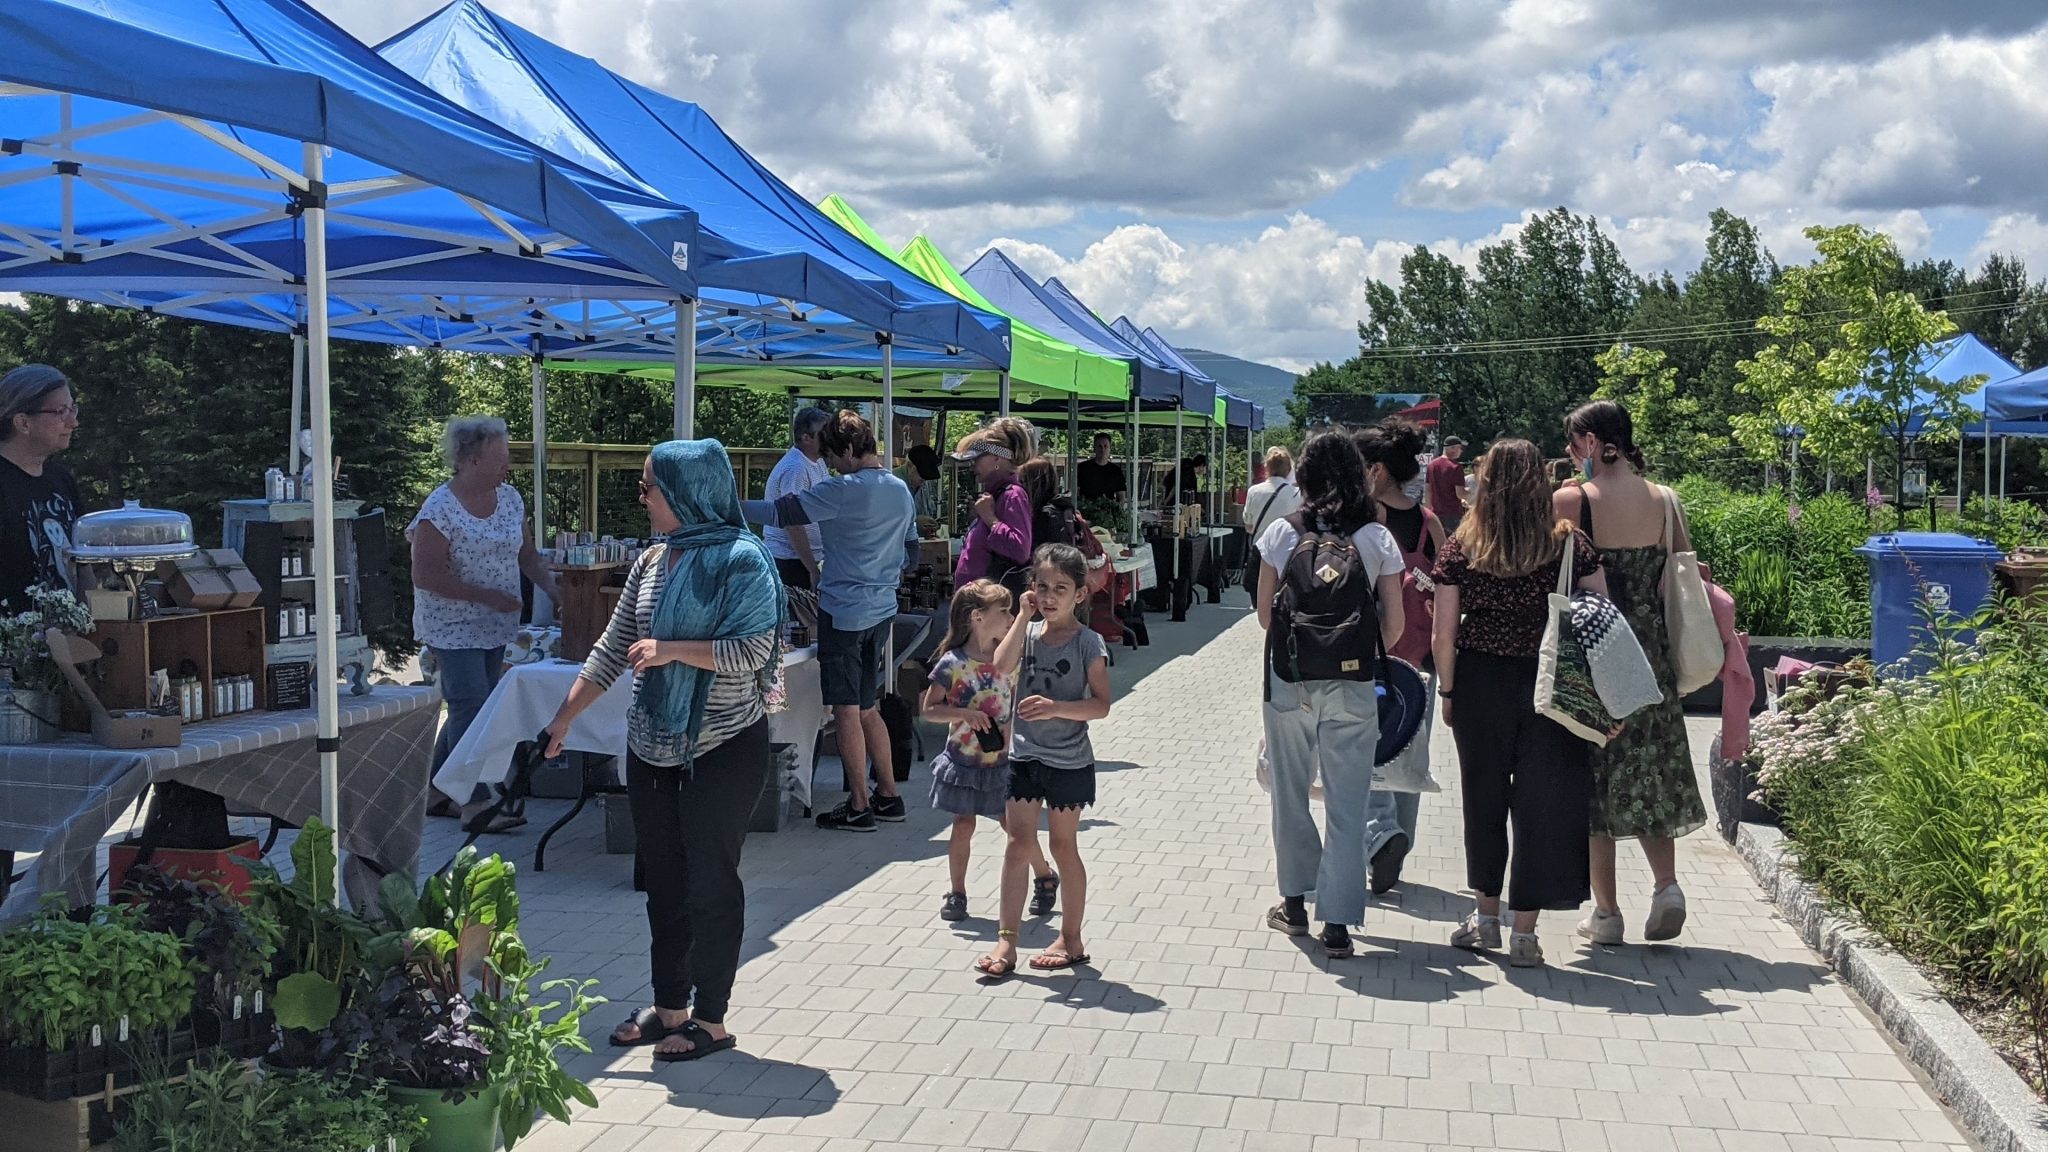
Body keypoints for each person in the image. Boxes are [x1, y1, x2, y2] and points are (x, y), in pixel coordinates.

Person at [543, 439, 783, 1063]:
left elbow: (753, 652)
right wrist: (564, 717)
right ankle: (670, 1007)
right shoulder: (655, 559)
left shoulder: (744, 560)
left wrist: (674, 648)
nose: (642, 496)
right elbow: (611, 646)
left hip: (723, 746)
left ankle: (712, 1019)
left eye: (650, 486)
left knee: (710, 881)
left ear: (687, 491)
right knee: (664, 882)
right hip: (651, 743)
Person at [1433, 438, 1607, 968]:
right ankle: (1525, 932)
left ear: (1487, 480)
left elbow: (1444, 633)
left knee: (1482, 796)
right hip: (1549, 685)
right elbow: (1600, 613)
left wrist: (1447, 688)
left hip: (1480, 680)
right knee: (1542, 802)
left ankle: (1487, 916)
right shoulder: (1567, 543)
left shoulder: (1464, 544)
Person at [1556, 400, 1706, 946]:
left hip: (1595, 653)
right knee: (1653, 766)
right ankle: (1667, 887)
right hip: (1653, 653)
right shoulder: (1666, 501)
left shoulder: (1572, 501)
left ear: (1593, 443)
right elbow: (1687, 574)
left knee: (1596, 777)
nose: (1573, 455)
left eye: (1575, 444)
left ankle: (1607, 913)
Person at [1254, 432, 1404, 960]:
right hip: (1353, 683)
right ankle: (1337, 923)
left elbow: (1265, 615)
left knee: (1290, 793)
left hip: (1289, 680)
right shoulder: (1375, 537)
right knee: (1347, 802)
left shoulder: (1281, 532)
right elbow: (1395, 625)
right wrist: (1353, 655)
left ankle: (1294, 905)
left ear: (1307, 475)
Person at [744, 410, 917, 832]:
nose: (830, 465)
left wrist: (719, 506)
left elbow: (780, 514)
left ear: (846, 450)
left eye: (833, 457)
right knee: (868, 706)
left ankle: (858, 805)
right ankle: (889, 795)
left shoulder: (843, 490)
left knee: (844, 711)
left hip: (843, 612)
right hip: (881, 609)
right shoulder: (901, 490)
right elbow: (911, 553)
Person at [411, 416, 561, 832]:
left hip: (496, 624)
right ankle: (474, 802)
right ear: (471, 460)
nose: (507, 465)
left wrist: (554, 590)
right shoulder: (439, 509)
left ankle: (434, 790)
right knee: (469, 706)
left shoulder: (510, 499)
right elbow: (426, 576)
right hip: (451, 625)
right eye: (500, 457)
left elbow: (527, 556)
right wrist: (486, 595)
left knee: (476, 707)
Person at [973, 544, 1112, 978]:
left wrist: (1055, 708)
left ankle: (1071, 937)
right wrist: (1021, 617)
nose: (1049, 597)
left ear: (1080, 596)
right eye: (1042, 587)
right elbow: (998, 666)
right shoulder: (1028, 634)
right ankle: (1007, 940)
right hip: (1025, 756)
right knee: (1017, 843)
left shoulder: (1090, 643)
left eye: (1061, 589)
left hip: (1069, 761)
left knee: (1062, 846)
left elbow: (1101, 705)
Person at [923, 579, 1056, 922]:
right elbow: (928, 709)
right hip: (964, 758)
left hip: (1004, 759)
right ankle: (957, 892)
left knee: (1014, 828)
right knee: (963, 824)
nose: (1009, 617)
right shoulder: (952, 663)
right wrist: (964, 714)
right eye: (1003, 611)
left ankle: (1044, 875)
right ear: (977, 617)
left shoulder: (1009, 655)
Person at [1353, 420, 1447, 893]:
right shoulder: (1430, 522)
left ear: (1375, 471)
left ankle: (1379, 835)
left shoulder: (1366, 520)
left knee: (1367, 753)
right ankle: (1397, 845)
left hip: (1370, 656)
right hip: (1421, 658)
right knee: (1408, 754)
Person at [0, 364, 82, 612]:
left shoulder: (61, 480)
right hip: (15, 643)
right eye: (61, 412)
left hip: (72, 642)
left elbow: (84, 561)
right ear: (23, 422)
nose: (73, 422)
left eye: (73, 409)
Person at [950, 421, 1035, 594]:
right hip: (976, 603)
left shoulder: (1013, 495)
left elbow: (1020, 550)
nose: (973, 464)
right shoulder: (996, 495)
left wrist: (990, 519)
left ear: (997, 458)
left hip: (988, 606)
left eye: (978, 457)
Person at [763, 406, 832, 590]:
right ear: (806, 437)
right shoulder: (796, 468)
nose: (829, 438)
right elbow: (793, 522)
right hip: (791, 562)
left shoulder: (817, 462)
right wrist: (812, 569)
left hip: (806, 560)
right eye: (823, 433)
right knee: (799, 616)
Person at [1242, 446, 1302, 544]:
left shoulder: (1253, 491)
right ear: (1289, 469)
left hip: (1260, 549)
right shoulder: (1297, 494)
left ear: (1266, 468)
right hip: (1286, 550)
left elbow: (1249, 527)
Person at [1427, 436, 1468, 533]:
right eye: (1459, 448)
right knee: (1452, 546)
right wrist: (1472, 492)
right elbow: (1460, 494)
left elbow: (1427, 490)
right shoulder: (1456, 467)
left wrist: (1428, 511)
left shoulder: (1431, 465)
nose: (1461, 451)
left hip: (1435, 514)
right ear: (1452, 448)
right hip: (1452, 514)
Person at [1075, 432, 1126, 503]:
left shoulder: (1116, 471)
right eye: (1099, 446)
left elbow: (1121, 497)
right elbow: (1075, 493)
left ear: (1110, 449)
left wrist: (1116, 511)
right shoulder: (1082, 468)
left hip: (1108, 511)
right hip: (1086, 510)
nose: (1103, 450)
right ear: (1094, 448)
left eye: (1105, 446)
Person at [900, 443, 944, 520]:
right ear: (910, 466)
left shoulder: (923, 484)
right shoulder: (895, 483)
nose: (923, 482)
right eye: (921, 478)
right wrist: (916, 522)